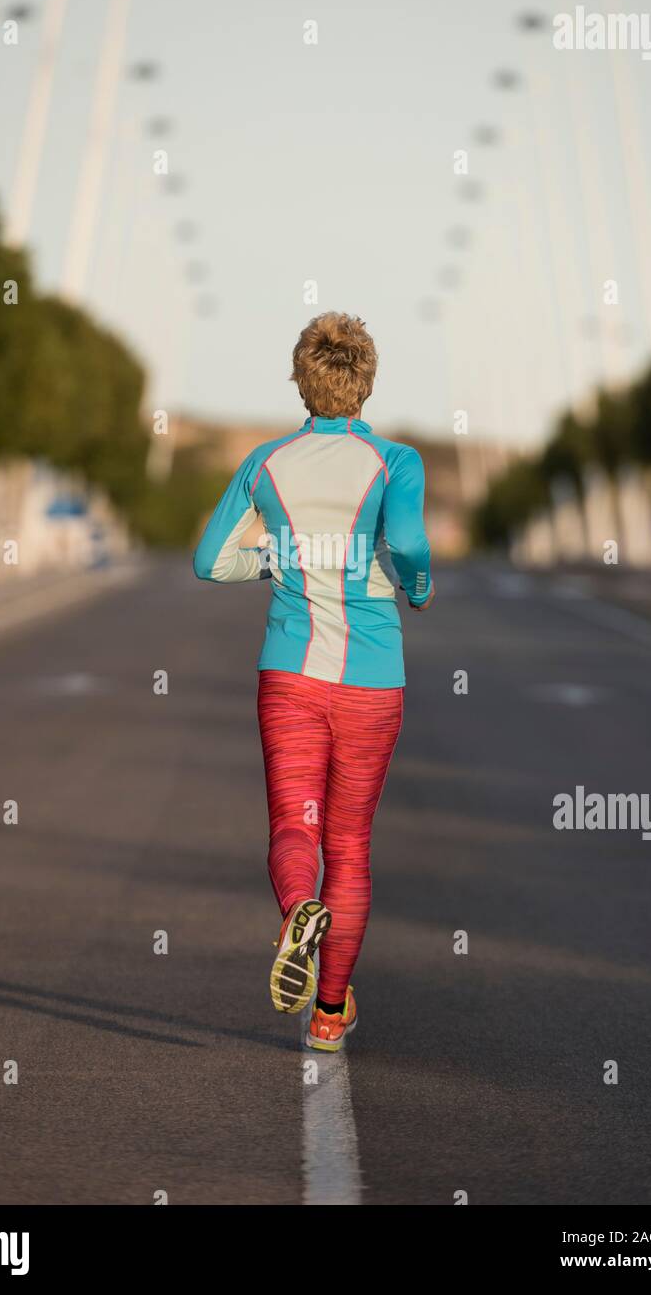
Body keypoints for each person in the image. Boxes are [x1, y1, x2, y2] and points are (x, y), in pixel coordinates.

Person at [193, 312, 434, 1051]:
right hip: (370, 679)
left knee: (293, 826)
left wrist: (277, 561)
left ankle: (299, 906)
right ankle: (330, 1011)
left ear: (301, 378)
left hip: (290, 675)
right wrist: (415, 587)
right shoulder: (396, 460)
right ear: (366, 381)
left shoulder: (265, 462)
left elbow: (209, 560)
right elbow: (411, 546)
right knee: (351, 844)